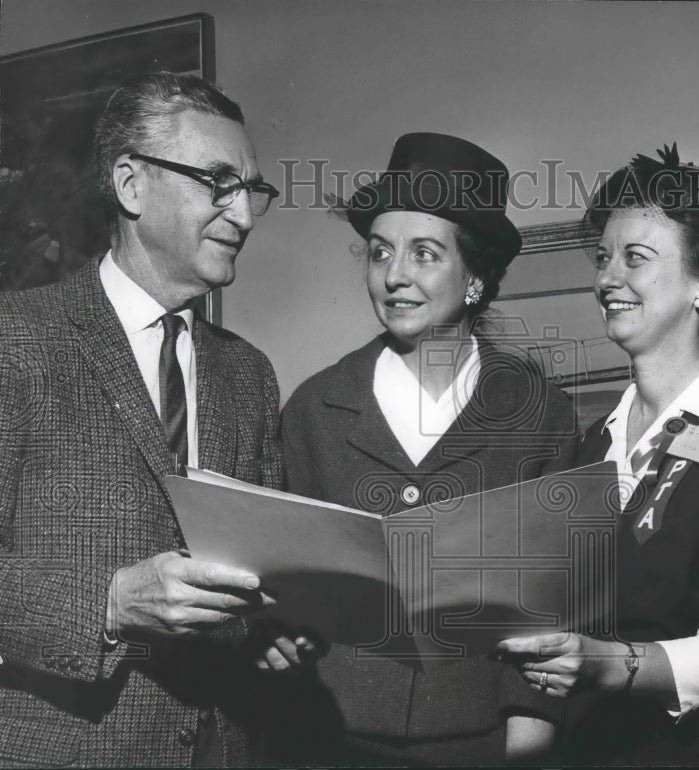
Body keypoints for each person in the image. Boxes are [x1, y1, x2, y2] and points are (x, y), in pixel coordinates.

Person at [0, 72, 287, 767]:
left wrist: (279, 624)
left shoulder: (249, 373)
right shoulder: (16, 341)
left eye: (251, 190)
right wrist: (110, 602)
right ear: (131, 184)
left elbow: (265, 566)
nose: (244, 216)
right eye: (218, 183)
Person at [496, 143, 699, 764]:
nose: (607, 279)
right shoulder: (591, 443)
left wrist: (611, 665)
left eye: (635, 258)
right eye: (602, 258)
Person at [279, 132, 578, 765]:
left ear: (475, 277)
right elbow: (286, 589)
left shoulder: (541, 415)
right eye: (380, 252)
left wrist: (527, 744)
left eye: (424, 253)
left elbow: (551, 605)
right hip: (328, 738)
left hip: (481, 742)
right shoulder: (314, 408)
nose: (394, 276)